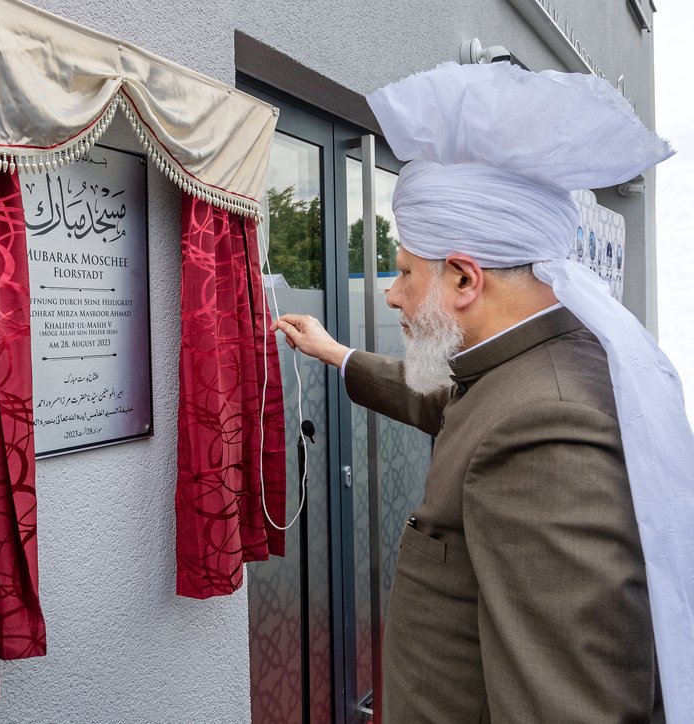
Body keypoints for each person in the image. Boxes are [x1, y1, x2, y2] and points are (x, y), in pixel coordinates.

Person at [271, 62, 693, 723]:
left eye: (406, 271)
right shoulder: (526, 368)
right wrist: (337, 354)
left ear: (466, 279)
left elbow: (568, 705)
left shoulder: (547, 426)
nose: (392, 291)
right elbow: (447, 403)